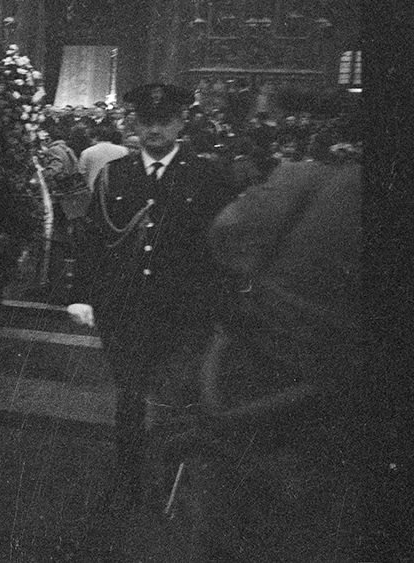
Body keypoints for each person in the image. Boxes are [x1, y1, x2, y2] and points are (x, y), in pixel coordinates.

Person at [191, 136, 368, 560]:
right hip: (343, 408)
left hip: (272, 380)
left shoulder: (311, 178)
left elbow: (226, 232)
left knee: (244, 523)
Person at [66, 83, 236, 510]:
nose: (155, 129)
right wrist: (81, 295)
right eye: (146, 121)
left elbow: (222, 246)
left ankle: (167, 480)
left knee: (174, 399)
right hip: (124, 308)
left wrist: (220, 305)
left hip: (182, 311)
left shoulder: (207, 177)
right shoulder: (115, 174)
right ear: (134, 124)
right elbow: (93, 238)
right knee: (129, 395)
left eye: (164, 121)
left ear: (181, 123)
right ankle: (127, 480)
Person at [77, 122, 127, 191]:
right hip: (118, 188)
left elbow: (81, 172)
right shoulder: (123, 150)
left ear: (96, 137)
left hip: (93, 188)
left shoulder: (87, 152)